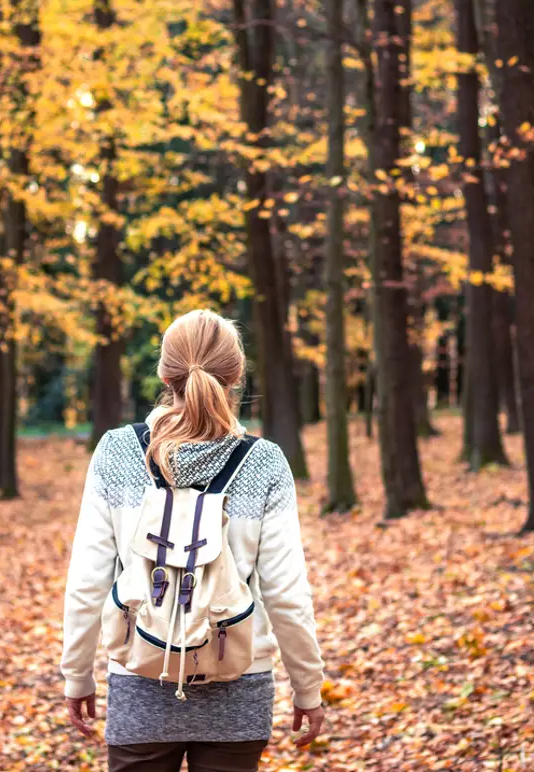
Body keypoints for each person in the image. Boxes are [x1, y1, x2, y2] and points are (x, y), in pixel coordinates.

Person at [61, 309, 325, 772]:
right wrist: (308, 686)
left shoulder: (117, 452)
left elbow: (88, 581)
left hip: (140, 674)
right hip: (239, 681)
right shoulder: (264, 463)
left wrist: (77, 675)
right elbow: (287, 594)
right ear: (236, 376)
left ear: (165, 374)